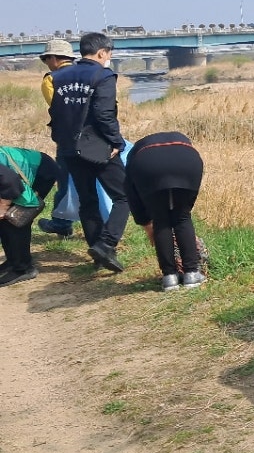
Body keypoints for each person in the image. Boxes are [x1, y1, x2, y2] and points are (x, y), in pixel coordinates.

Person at [47, 32, 130, 273]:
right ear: (102, 52)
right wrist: (117, 142)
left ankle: (97, 251)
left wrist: (61, 142)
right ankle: (107, 244)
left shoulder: (58, 76)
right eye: (109, 54)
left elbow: (56, 114)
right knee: (125, 195)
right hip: (98, 147)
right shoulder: (103, 75)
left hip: (69, 148)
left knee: (87, 201)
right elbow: (104, 114)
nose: (108, 58)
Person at [123, 132, 205, 292]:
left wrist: (146, 223)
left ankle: (169, 277)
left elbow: (130, 192)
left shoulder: (135, 153)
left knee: (160, 219)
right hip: (188, 160)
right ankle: (192, 274)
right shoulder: (182, 140)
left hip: (147, 165)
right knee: (182, 217)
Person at [0, 146, 59, 287]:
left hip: (41, 171)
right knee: (4, 221)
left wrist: (3, 207)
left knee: (16, 218)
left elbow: (11, 182)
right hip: (11, 179)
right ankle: (13, 260)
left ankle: (24, 268)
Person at [37, 38, 77, 238]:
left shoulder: (51, 79)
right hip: (96, 137)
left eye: (46, 60)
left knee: (66, 179)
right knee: (96, 180)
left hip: (68, 138)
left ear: (53, 58)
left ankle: (62, 223)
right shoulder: (90, 74)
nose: (47, 64)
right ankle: (103, 226)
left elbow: (60, 109)